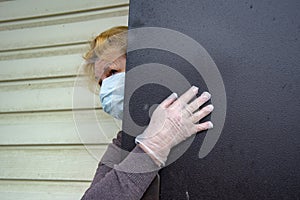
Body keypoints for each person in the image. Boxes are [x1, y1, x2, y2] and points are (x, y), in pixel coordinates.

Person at [80, 26, 214, 200]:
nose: (107, 88)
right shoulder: (123, 140)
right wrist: (152, 147)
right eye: (101, 83)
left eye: (112, 72)